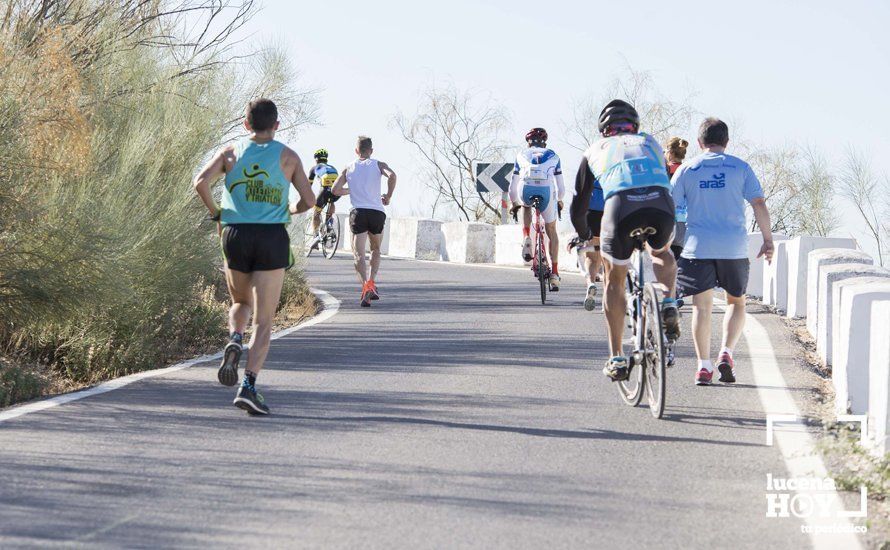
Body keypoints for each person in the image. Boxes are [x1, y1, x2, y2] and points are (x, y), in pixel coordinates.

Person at [193, 98, 315, 415]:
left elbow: (200, 182)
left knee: (240, 304)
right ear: (276, 125)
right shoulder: (288, 157)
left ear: (246, 124)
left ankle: (234, 337)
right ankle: (248, 387)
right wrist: (291, 208)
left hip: (234, 234)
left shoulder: (231, 153)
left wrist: (216, 212)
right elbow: (309, 200)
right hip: (271, 237)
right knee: (264, 321)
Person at [569, 99, 680, 382]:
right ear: (636, 127)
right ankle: (668, 301)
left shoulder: (594, 149)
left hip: (621, 208)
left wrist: (584, 235)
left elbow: (578, 205)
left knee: (614, 278)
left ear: (604, 130)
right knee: (662, 252)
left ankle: (617, 357)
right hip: (660, 205)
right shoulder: (652, 142)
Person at [671, 118, 774, 385]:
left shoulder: (687, 169)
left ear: (699, 142)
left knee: (701, 308)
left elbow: (671, 209)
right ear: (727, 142)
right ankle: (726, 353)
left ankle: (703, 367)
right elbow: (759, 204)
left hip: (697, 249)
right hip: (733, 248)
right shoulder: (741, 168)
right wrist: (767, 239)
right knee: (736, 302)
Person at [332, 136, 396, 307]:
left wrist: (351, 190)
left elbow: (335, 190)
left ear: (356, 151)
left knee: (358, 253)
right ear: (371, 151)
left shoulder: (349, 167)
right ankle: (372, 282)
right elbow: (392, 176)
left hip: (358, 213)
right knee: (375, 249)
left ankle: (365, 286)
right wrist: (388, 196)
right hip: (376, 212)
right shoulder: (378, 164)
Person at [508, 127, 565, 291]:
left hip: (525, 189)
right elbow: (561, 188)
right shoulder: (553, 155)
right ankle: (554, 274)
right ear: (545, 142)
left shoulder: (521, 155)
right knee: (552, 230)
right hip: (546, 191)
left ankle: (527, 237)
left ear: (528, 142)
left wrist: (514, 203)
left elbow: (513, 188)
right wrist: (559, 201)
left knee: (526, 206)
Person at [568, 178, 605, 311]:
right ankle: (608, 299)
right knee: (609, 260)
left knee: (592, 258)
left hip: (591, 212)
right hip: (611, 210)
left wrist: (577, 231)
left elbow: (578, 195)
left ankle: (591, 283)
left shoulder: (590, 162)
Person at [308, 148, 340, 249]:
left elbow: (308, 186)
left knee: (316, 212)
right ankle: (329, 224)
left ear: (316, 159)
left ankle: (316, 236)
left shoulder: (314, 168)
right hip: (337, 190)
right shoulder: (332, 167)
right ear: (326, 159)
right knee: (332, 200)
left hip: (325, 189)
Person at [664, 137, 689, 260]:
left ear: (671, 152)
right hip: (685, 221)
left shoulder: (665, 171)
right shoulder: (688, 170)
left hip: (668, 220)